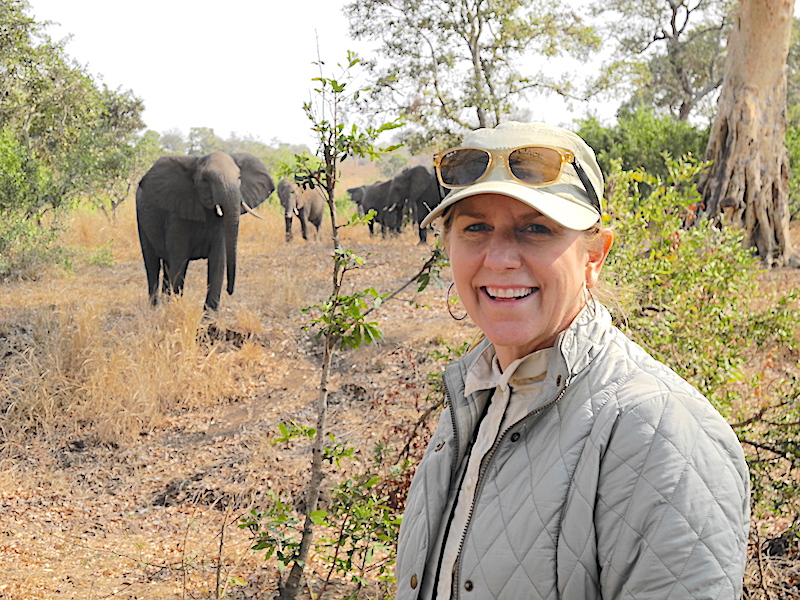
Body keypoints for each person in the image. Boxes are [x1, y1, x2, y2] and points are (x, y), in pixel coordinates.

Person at [394, 121, 750, 600]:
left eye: (536, 229)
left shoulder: (657, 432)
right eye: (475, 227)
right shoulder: (478, 394)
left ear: (594, 256)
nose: (499, 259)